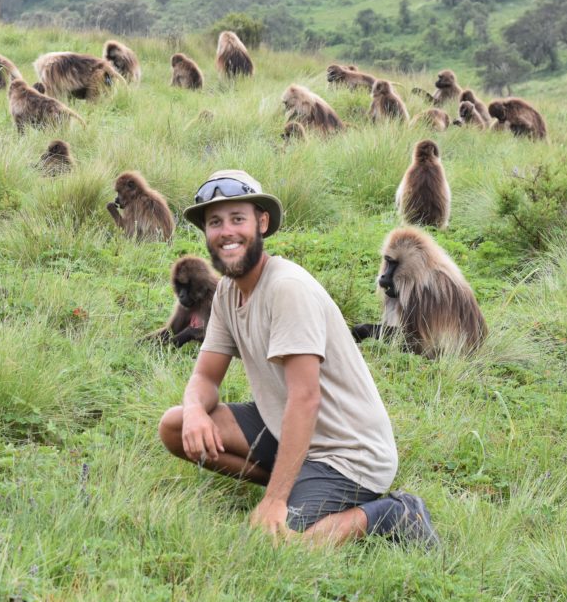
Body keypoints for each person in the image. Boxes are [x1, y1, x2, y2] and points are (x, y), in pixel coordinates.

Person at [158, 169, 439, 548]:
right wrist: (194, 410)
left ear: (262, 222)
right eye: (215, 222)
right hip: (285, 427)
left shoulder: (286, 288)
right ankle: (294, 482)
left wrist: (274, 501)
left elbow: (305, 397)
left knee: (281, 544)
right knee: (175, 427)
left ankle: (394, 513)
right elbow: (206, 378)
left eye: (237, 219)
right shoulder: (226, 291)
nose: (226, 232)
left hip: (348, 452)